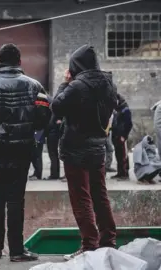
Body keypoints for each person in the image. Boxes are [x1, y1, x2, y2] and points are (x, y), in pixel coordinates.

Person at [0, 44, 50, 262]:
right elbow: (44, 117)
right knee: (16, 200)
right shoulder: (35, 86)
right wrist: (28, 130)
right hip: (22, 148)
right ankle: (16, 250)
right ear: (19, 61)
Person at [51, 44, 118, 260]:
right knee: (100, 195)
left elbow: (57, 107)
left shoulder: (77, 85)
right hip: (98, 147)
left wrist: (64, 83)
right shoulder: (108, 83)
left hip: (76, 150)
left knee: (81, 198)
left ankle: (89, 245)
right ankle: (108, 242)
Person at [111, 93, 133, 180]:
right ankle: (120, 173)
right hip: (116, 136)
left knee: (123, 155)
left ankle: (124, 173)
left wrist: (124, 135)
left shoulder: (125, 109)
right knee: (118, 155)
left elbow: (129, 124)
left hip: (122, 137)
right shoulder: (117, 110)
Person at [45, 115, 64, 180]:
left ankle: (54, 174)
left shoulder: (55, 111)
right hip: (53, 132)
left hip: (52, 132)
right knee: (53, 154)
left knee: (52, 153)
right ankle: (54, 173)